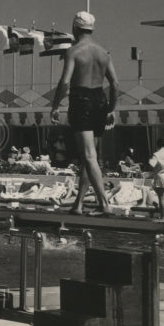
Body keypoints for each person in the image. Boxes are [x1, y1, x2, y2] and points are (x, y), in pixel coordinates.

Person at [49, 12, 118, 216]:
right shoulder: (104, 53)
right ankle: (78, 204)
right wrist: (111, 108)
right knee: (89, 157)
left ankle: (104, 203)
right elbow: (115, 83)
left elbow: (65, 82)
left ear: (75, 28)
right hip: (100, 99)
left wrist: (55, 105)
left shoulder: (74, 51)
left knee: (89, 155)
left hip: (82, 100)